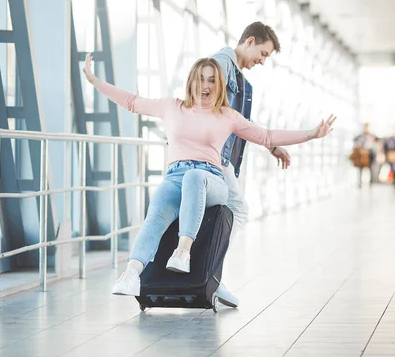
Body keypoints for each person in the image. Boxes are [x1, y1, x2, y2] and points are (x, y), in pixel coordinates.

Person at [82, 53, 337, 297]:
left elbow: (267, 136)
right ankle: (131, 274)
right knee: (158, 206)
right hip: (175, 177)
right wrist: (95, 81)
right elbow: (131, 102)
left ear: (220, 85)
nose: (206, 85)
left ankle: (183, 252)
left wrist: (311, 133)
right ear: (191, 82)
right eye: (201, 78)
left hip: (211, 179)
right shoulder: (172, 107)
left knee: (194, 176)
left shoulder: (227, 116)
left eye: (212, 80)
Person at [210, 22, 289, 308]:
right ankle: (210, 275)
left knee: (220, 214)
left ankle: (209, 275)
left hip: (218, 155)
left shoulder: (240, 80)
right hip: (213, 156)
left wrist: (271, 144)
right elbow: (207, 108)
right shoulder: (221, 64)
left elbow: (241, 124)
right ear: (250, 40)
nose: (262, 60)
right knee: (238, 209)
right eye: (263, 53)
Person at [351, 123, 378, 187]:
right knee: (360, 169)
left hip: (370, 155)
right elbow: (355, 143)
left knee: (371, 169)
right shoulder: (359, 136)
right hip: (361, 156)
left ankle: (371, 183)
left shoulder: (372, 136)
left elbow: (376, 144)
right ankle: (360, 183)